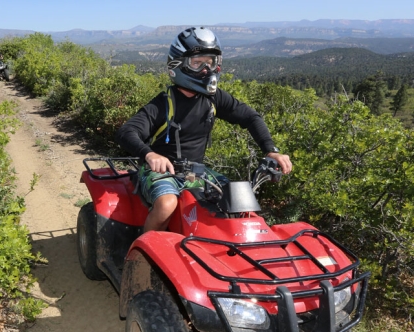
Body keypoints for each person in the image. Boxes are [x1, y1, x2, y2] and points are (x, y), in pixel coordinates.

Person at [115, 26, 292, 233]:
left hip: (196, 171)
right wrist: (150, 154)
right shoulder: (163, 103)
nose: (206, 70)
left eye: (210, 62)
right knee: (166, 205)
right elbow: (127, 132)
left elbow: (250, 117)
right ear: (178, 64)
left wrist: (271, 150)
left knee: (238, 201)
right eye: (197, 63)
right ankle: (141, 256)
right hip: (159, 172)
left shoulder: (213, 98)